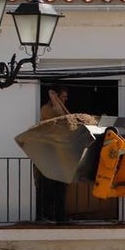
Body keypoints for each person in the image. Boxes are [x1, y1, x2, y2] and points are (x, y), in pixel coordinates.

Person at [35, 86, 70, 222]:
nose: (66, 99)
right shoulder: (47, 109)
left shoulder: (61, 109)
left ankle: (60, 218)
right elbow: (58, 114)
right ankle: (47, 215)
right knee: (48, 187)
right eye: (63, 97)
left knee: (61, 188)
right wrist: (53, 98)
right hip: (49, 154)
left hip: (61, 155)